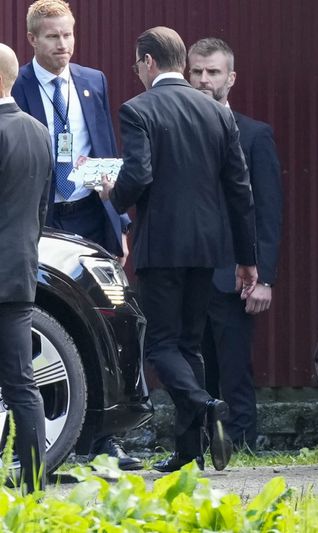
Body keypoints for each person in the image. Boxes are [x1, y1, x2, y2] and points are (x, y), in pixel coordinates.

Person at [100, 26, 258, 473]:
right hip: (209, 248)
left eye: (137, 65)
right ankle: (189, 453)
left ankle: (204, 404)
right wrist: (247, 259)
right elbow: (239, 188)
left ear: (149, 62)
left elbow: (140, 175)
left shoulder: (137, 109)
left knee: (161, 347)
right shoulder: (216, 112)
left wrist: (114, 192)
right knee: (190, 347)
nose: (137, 73)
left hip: (162, 245)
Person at [10, 0, 140, 470]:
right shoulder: (16, 85)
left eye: (67, 35)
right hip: (41, 220)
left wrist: (118, 220)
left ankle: (104, 441)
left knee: (103, 322)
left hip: (88, 215)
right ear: (32, 40)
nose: (62, 45)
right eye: (52, 37)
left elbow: (101, 145)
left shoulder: (92, 81)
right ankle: (42, 433)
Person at [188, 37, 282, 451]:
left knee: (234, 366)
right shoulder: (176, 129)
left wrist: (266, 277)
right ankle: (202, 442)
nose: (205, 79)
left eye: (213, 72)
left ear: (231, 77)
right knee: (194, 365)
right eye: (197, 71)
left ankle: (241, 441)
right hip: (189, 271)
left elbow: (268, 213)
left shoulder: (255, 135)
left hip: (235, 274)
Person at [0, 43, 51, 493]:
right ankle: (35, 482)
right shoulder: (38, 131)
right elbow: (43, 208)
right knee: (21, 381)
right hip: (19, 272)